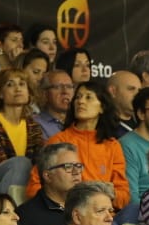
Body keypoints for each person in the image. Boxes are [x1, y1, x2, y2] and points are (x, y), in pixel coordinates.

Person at [25, 81, 129, 212]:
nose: (81, 101)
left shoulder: (112, 146)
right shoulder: (58, 141)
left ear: (102, 107)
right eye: (78, 97)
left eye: (88, 97)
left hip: (101, 215)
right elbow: (34, 187)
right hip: (64, 213)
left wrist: (110, 193)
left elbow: (123, 196)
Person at [0, 67, 41, 195]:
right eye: (10, 84)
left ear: (29, 92)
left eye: (22, 84)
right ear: (0, 93)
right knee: (21, 163)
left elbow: (38, 160)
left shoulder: (33, 126)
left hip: (14, 182)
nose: (17, 89)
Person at [16, 144, 82, 225]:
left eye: (79, 166)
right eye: (68, 167)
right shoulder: (26, 216)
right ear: (47, 175)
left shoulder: (87, 207)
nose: (77, 172)